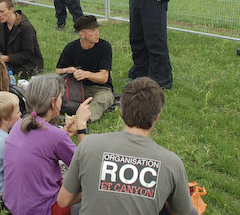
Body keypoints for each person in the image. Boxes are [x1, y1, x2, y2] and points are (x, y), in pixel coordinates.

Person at [57, 77, 198, 215]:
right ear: (156, 117)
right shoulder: (171, 163)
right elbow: (181, 211)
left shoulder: (89, 144)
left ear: (122, 111)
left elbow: (63, 200)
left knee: (80, 206)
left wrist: (96, 187)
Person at [3, 74, 92, 215]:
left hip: (15, 205)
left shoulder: (19, 124)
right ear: (53, 102)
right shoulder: (55, 137)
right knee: (95, 188)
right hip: (43, 210)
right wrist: (81, 127)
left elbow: (41, 145)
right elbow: (87, 168)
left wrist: (63, 134)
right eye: (61, 97)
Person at [55, 15, 114, 122]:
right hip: (75, 88)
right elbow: (57, 71)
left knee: (104, 98)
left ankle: (82, 120)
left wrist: (86, 74)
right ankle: (50, 115)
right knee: (53, 94)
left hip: (99, 89)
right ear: (82, 34)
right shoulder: (71, 48)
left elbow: (104, 77)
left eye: (97, 29)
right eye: (92, 30)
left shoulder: (104, 47)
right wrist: (68, 70)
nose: (97, 33)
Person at [0, 0, 44, 78]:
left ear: (11, 10)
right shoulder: (0, 25)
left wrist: (6, 58)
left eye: (2, 11)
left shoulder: (25, 27)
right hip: (6, 63)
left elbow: (29, 54)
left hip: (25, 66)